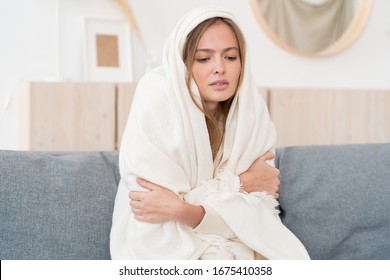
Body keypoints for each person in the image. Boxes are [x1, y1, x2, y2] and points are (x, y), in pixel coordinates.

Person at [110, 6, 310, 260]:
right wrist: (241, 185)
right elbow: (153, 213)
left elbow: (259, 215)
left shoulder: (252, 112)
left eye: (230, 57)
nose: (220, 68)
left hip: (238, 251)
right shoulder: (156, 97)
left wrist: (185, 209)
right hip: (163, 252)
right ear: (183, 63)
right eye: (204, 58)